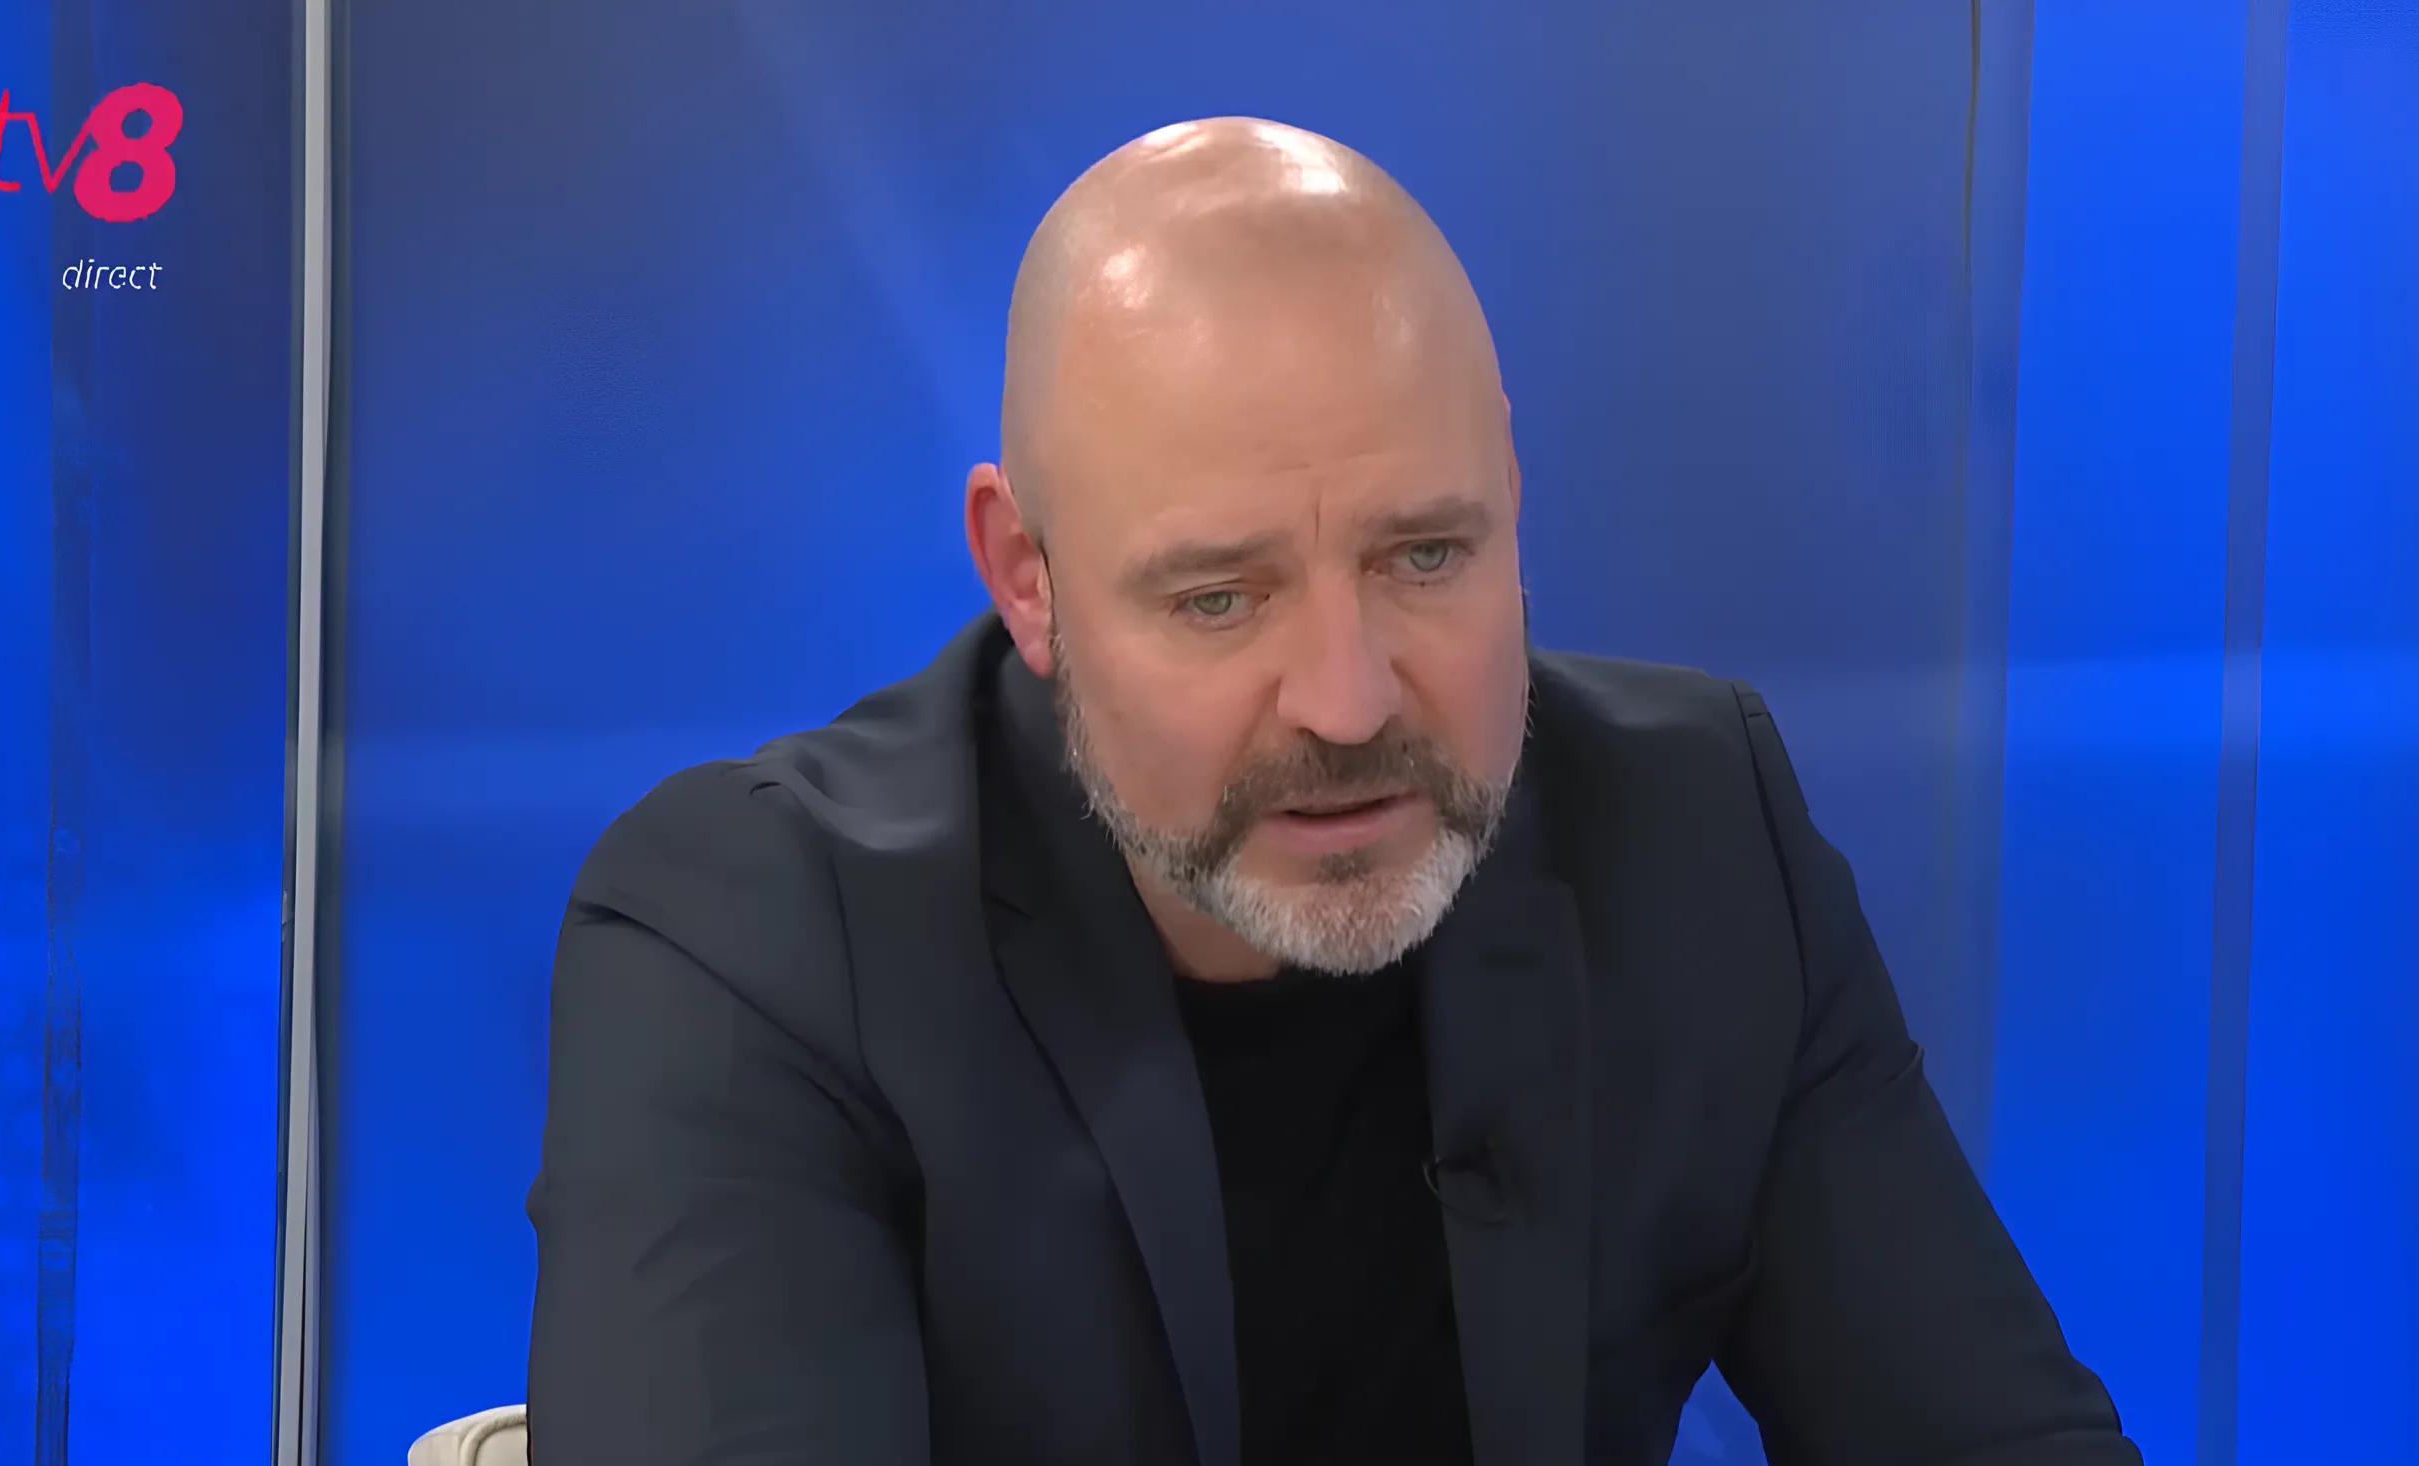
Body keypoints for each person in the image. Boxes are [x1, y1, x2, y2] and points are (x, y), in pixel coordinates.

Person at [526, 117, 2139, 1466]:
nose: (1350, 701)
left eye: (1424, 555)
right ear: (1027, 575)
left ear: (1510, 486)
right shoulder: (754, 944)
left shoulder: (1698, 833)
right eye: (1220, 598)